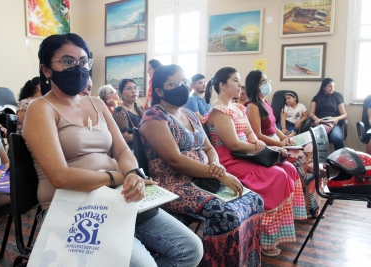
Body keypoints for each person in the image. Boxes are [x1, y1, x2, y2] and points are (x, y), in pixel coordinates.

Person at [22, 33, 203, 267]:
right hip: (72, 205)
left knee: (191, 249)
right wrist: (120, 176)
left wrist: (134, 174)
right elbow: (60, 176)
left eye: (84, 61)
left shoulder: (97, 103)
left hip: (117, 195)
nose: (78, 67)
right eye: (68, 61)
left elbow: (122, 150)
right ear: (47, 70)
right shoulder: (40, 109)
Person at [139, 64, 264, 266]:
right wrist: (217, 175)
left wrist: (216, 167)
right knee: (227, 214)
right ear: (160, 91)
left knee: (254, 200)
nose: (181, 87)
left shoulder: (188, 114)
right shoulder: (154, 117)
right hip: (175, 184)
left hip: (205, 178)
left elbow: (209, 148)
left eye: (183, 82)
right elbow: (175, 160)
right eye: (173, 83)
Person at [202, 67, 306, 257]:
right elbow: (233, 144)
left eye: (239, 80)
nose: (240, 84)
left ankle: (280, 229)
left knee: (289, 168)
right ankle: (265, 238)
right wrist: (264, 149)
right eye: (235, 80)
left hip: (247, 152)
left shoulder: (239, 107)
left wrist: (259, 144)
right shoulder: (219, 111)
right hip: (230, 158)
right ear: (222, 85)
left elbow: (250, 134)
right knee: (276, 174)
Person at [245, 70, 320, 219]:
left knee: (312, 152)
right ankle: (307, 206)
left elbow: (274, 127)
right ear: (255, 85)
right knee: (303, 160)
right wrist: (280, 143)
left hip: (276, 140)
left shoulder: (265, 102)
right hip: (267, 146)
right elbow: (258, 135)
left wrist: (286, 138)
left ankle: (310, 204)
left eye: (268, 80)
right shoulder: (252, 106)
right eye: (263, 82)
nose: (268, 84)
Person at [309, 78, 348, 150]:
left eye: (333, 86)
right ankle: (314, 160)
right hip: (320, 123)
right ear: (324, 87)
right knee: (311, 141)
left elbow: (344, 114)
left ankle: (340, 159)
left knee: (337, 138)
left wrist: (336, 118)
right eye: (330, 86)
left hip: (333, 124)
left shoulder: (337, 97)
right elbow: (311, 113)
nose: (332, 88)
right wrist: (317, 119)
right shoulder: (316, 98)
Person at [112, 79, 144, 150]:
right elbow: (124, 137)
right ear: (121, 93)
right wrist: (145, 134)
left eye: (135, 88)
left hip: (143, 147)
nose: (134, 91)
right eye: (129, 88)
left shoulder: (140, 108)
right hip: (131, 151)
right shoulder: (120, 111)